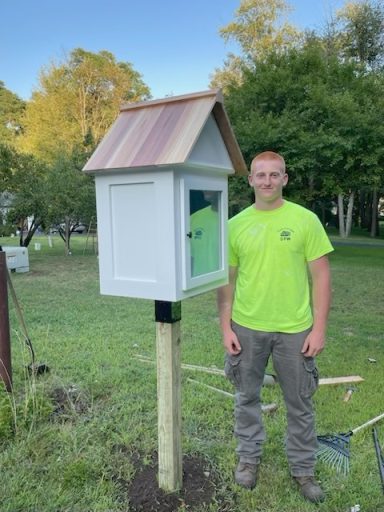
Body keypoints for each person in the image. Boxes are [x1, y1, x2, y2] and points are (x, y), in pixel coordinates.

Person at [217, 151, 333, 503]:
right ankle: (248, 459)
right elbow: (227, 284)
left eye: (274, 174)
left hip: (295, 329)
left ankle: (303, 470)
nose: (267, 181)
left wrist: (319, 329)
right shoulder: (234, 225)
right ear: (250, 180)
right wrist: (226, 327)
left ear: (285, 179)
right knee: (246, 397)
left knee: (299, 402)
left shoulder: (305, 220)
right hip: (247, 327)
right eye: (260, 175)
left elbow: (322, 276)